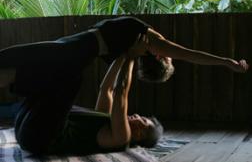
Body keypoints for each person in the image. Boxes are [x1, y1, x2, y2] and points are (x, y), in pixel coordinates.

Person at [0, 16, 248, 155]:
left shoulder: (149, 42)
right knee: (21, 63)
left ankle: (12, 82)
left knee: (67, 75)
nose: (138, 116)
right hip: (28, 126)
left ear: (161, 58)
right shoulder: (134, 46)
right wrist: (125, 57)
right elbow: (105, 90)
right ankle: (12, 82)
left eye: (144, 121)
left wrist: (226, 62)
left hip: (37, 136)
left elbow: (187, 54)